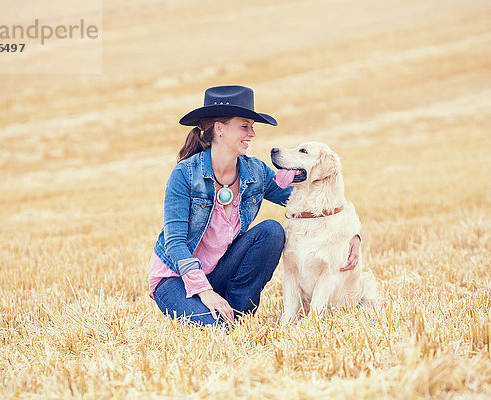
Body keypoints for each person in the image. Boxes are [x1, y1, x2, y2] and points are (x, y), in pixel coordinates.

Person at [148, 85, 361, 326]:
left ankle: (238, 314)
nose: (252, 134)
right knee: (214, 331)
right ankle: (218, 316)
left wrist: (351, 232)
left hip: (220, 271)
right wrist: (204, 292)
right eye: (244, 126)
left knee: (271, 231)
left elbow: (312, 202)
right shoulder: (185, 174)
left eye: (252, 127)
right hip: (176, 278)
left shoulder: (255, 172)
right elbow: (174, 244)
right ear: (219, 129)